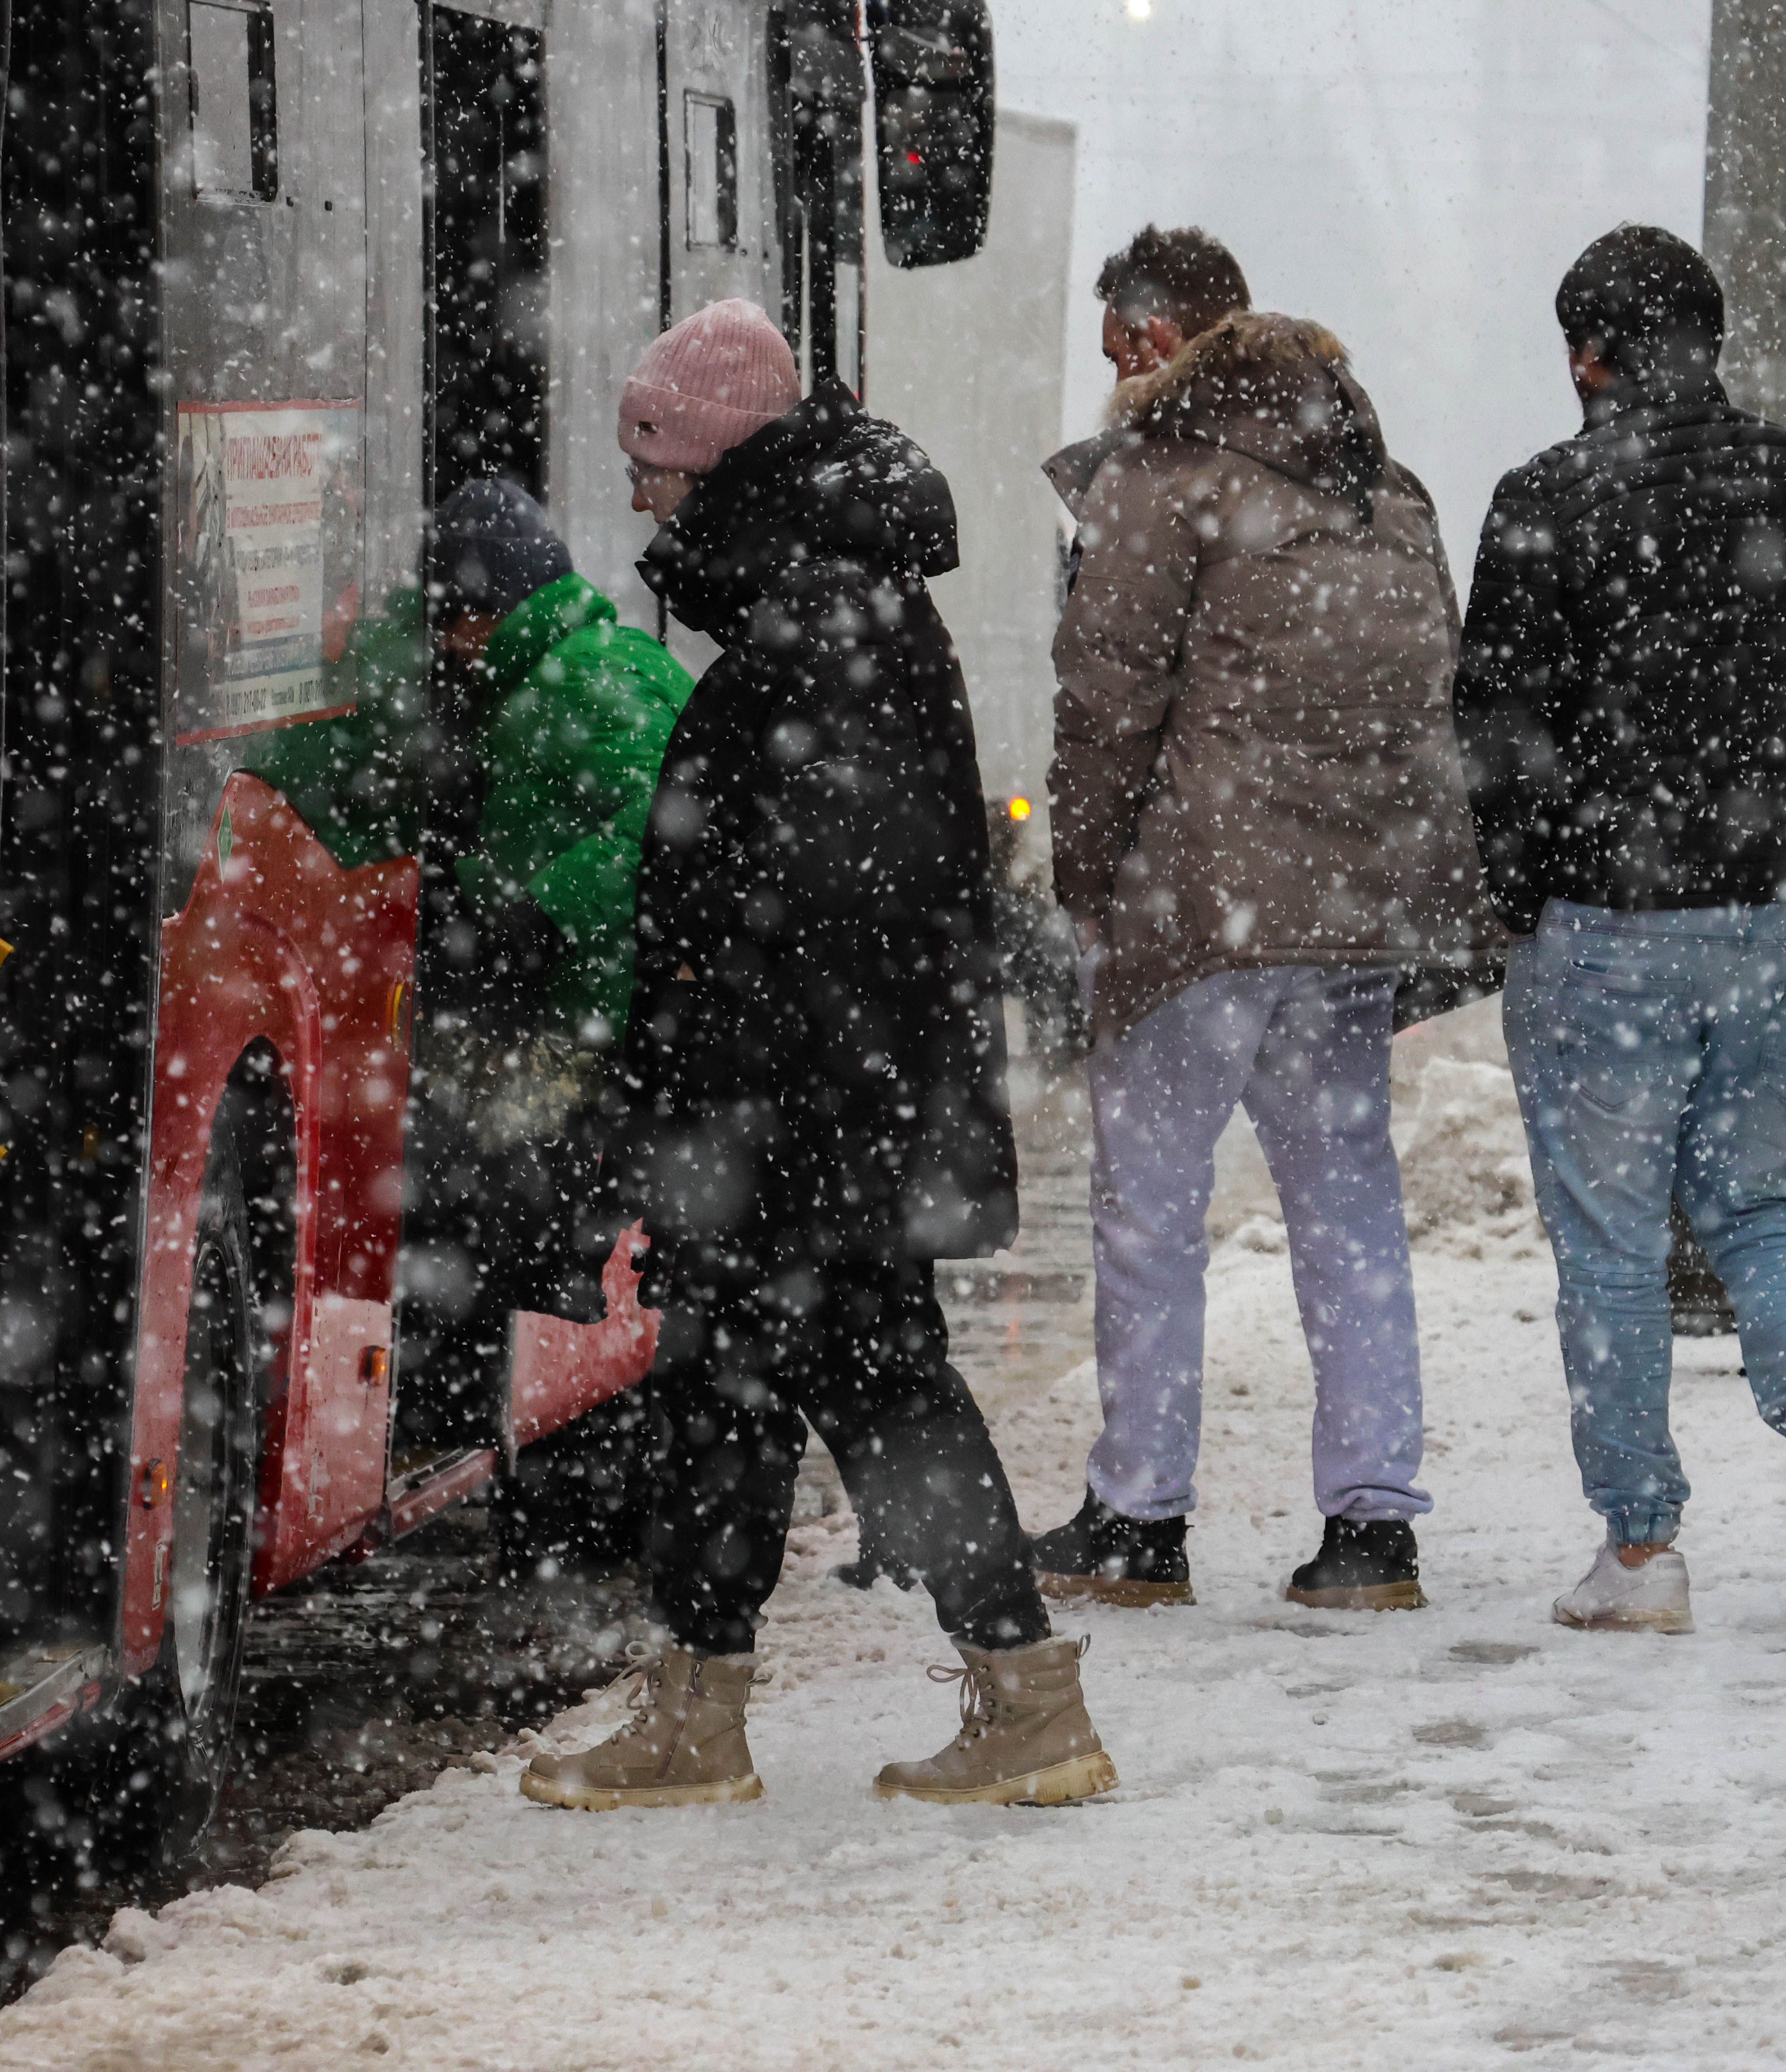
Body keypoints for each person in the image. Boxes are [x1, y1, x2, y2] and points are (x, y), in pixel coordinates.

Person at [519, 298, 1116, 1812]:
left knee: (877, 1396)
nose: (643, 499)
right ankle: (707, 1717)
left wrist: (711, 1106)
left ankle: (1020, 1700)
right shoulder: (835, 609)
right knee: (729, 1397)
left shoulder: (822, 629)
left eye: (655, 467)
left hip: (807, 1124)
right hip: (811, 1117)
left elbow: (813, 916)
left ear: (719, 465)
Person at [1453, 225, 1786, 1637]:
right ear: (1707, 341)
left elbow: (1500, 730)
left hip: (1611, 916)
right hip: (1781, 915)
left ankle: (1641, 1552)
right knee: (1771, 1204)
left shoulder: (1547, 498)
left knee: (1610, 1241)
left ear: (1588, 354)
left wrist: (1523, 889)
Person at [1039, 312, 1487, 1613]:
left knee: (1150, 1212)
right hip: (1345, 917)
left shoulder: (1160, 484)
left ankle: (1137, 1512)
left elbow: (1103, 707)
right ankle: (1372, 1527)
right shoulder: (1392, 501)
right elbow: (1427, 708)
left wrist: (1084, 886)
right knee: (1346, 1203)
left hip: (1200, 910)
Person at [245, 479, 693, 1444]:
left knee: (493, 1199)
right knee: (511, 1207)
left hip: (584, 1012)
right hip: (583, 1003)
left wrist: (536, 910)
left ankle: (537, 1449)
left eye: (457, 622)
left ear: (493, 613)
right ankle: (526, 1439)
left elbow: (665, 832)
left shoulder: (581, 682)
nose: (446, 645)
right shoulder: (561, 671)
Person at [1042, 225, 1255, 572]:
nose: (1118, 385)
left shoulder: (1142, 500)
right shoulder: (1345, 473)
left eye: (1117, 357)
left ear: (1156, 343)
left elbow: (1110, 626)